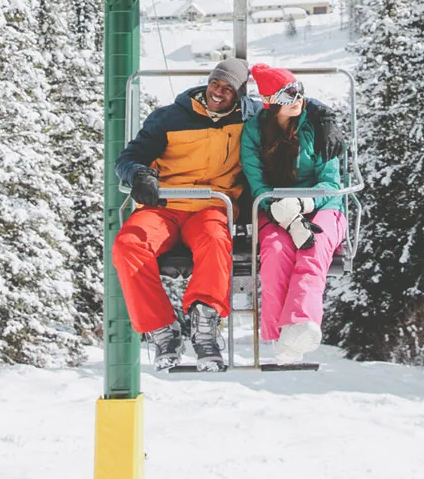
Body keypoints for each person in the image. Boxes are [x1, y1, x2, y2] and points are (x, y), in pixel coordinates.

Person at [112, 57, 249, 371]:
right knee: (129, 245)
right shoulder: (169, 118)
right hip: (166, 205)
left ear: (238, 95)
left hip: (211, 204)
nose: (218, 92)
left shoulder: (248, 118)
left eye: (228, 89)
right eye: (215, 83)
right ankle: (163, 329)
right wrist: (138, 175)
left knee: (216, 240)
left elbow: (293, 106)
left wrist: (324, 119)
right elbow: (129, 157)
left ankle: (205, 324)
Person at [241, 64, 346, 364]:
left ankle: (301, 323)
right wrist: (277, 209)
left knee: (311, 250)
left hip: (323, 205)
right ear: (272, 101)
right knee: (275, 252)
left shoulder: (315, 128)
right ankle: (278, 337)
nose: (298, 97)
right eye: (289, 92)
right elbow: (255, 180)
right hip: (273, 207)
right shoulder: (254, 132)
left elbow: (331, 180)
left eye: (299, 88)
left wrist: (303, 204)